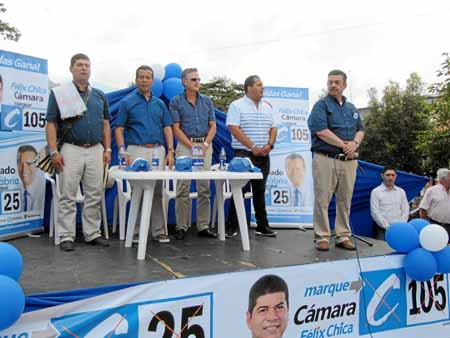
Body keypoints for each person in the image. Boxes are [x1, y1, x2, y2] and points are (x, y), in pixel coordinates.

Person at [46, 53, 111, 252]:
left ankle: (92, 233)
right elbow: (50, 123)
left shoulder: (99, 95)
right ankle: (66, 235)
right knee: (68, 193)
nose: (84, 68)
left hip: (95, 149)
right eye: (79, 65)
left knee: (94, 193)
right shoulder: (60, 93)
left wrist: (108, 148)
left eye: (87, 65)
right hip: (71, 148)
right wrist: (53, 151)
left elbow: (106, 124)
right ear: (71, 68)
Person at [115, 65, 174, 243]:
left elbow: (167, 128)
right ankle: (135, 233)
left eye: (148, 77)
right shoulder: (127, 102)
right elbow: (119, 129)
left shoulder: (160, 103)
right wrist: (122, 151)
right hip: (136, 150)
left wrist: (170, 151)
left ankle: (158, 231)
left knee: (157, 191)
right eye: (141, 77)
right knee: (138, 191)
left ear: (153, 80)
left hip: (158, 150)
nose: (144, 80)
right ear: (136, 79)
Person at [307, 69, 364, 251]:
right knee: (322, 199)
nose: (333, 85)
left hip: (349, 161)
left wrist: (354, 143)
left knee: (344, 200)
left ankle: (342, 236)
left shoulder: (351, 108)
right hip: (326, 158)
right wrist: (343, 145)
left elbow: (361, 130)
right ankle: (322, 237)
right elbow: (320, 131)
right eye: (330, 82)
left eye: (337, 82)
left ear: (344, 85)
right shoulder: (321, 106)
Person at [226, 75, 277, 238]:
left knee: (260, 190)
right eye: (259, 85)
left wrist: (269, 145)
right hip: (244, 154)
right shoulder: (237, 105)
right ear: (248, 88)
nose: (262, 88)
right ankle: (231, 226)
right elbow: (234, 128)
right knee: (239, 189)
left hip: (264, 154)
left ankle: (262, 226)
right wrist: (253, 147)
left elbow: (274, 128)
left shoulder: (268, 107)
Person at [169, 68, 217, 240]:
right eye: (194, 79)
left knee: (204, 187)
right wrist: (191, 145)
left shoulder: (207, 101)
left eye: (198, 79)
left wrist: (204, 144)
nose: (197, 82)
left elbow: (213, 125)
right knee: (183, 187)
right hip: (185, 146)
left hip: (205, 145)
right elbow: (176, 128)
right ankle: (182, 226)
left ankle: (203, 226)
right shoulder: (176, 101)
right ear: (184, 82)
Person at [370, 166, 409, 240]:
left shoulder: (401, 192)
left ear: (396, 176)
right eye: (388, 175)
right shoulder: (376, 192)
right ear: (382, 176)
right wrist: (388, 227)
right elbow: (375, 212)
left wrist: (401, 225)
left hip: (399, 229)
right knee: (382, 250)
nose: (390, 178)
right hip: (382, 230)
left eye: (393, 175)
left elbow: (405, 210)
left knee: (399, 249)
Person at [419, 168, 450, 241]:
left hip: (449, 226)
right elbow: (423, 208)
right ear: (443, 179)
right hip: (435, 225)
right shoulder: (432, 190)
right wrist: (426, 225)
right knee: (436, 245)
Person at [17, 144, 45, 212]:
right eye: (21, 164)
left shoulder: (45, 191)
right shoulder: (14, 190)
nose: (24, 169)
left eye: (29, 163)